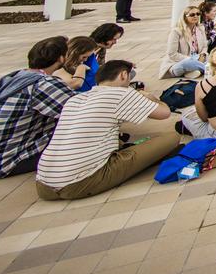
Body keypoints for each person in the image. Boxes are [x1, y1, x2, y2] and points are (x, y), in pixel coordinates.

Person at [35, 60, 175, 200]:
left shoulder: (75, 99)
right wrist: (151, 98)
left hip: (43, 185)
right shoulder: (121, 94)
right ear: (123, 75)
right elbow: (164, 113)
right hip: (78, 182)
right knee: (171, 138)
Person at [0, 37, 74, 178]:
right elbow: (80, 111)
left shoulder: (16, 77)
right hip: (5, 161)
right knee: (82, 137)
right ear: (61, 58)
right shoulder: (42, 84)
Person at [158, 6, 208, 79]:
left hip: (197, 58)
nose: (196, 16)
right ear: (185, 17)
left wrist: (202, 55)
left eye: (198, 14)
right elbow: (172, 54)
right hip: (178, 63)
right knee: (188, 63)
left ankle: (192, 71)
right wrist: (192, 59)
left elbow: (204, 46)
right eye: (192, 15)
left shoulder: (200, 28)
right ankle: (208, 70)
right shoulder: (176, 31)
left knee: (214, 57)